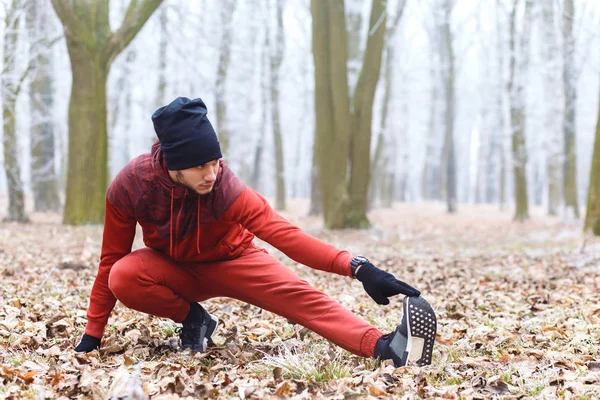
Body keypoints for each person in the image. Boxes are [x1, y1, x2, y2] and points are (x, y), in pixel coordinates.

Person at [74, 97, 437, 367]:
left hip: (236, 261)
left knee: (303, 300)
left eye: (214, 162)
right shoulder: (131, 186)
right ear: (173, 164)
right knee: (123, 275)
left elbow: (286, 235)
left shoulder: (225, 190)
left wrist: (358, 267)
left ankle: (388, 348)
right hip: (174, 270)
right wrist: (92, 336)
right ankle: (194, 319)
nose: (211, 174)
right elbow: (110, 260)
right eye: (199, 166)